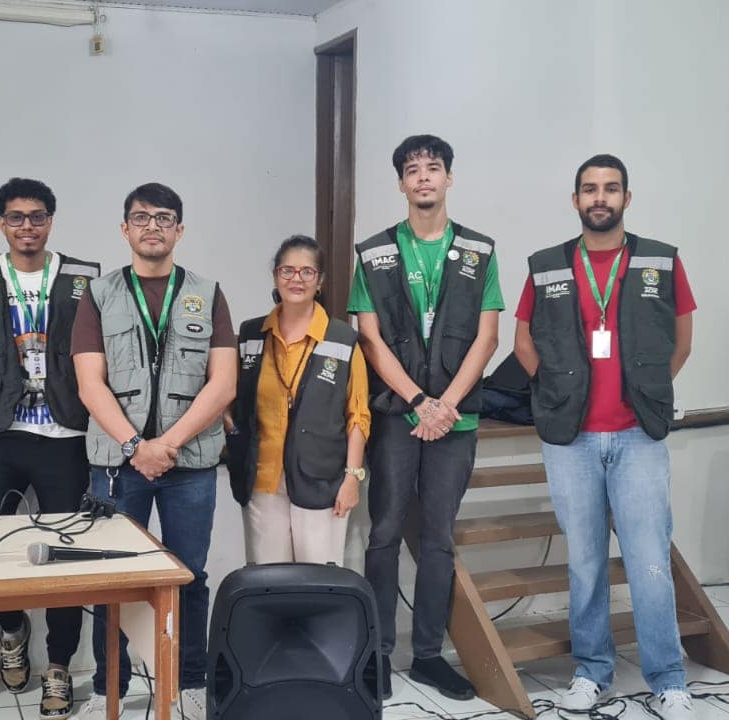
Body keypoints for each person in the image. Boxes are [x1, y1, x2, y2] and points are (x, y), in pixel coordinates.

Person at [513, 154, 697, 719]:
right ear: (575, 200)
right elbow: (524, 342)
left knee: (648, 563)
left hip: (638, 437)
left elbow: (682, 339)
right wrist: (558, 397)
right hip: (572, 442)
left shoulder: (660, 261)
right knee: (586, 564)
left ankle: (668, 680)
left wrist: (643, 391)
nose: (600, 198)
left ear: (626, 198)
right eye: (589, 189)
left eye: (610, 189)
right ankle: (592, 671)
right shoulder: (547, 265)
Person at [72, 182, 236, 720]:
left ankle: (189, 681)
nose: (152, 226)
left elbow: (223, 383)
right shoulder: (99, 294)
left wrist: (166, 445)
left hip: (188, 464)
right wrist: (134, 445)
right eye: (141, 217)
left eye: (164, 218)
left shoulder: (207, 293)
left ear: (179, 230)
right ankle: (108, 687)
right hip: (120, 464)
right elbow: (89, 383)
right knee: (111, 577)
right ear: (125, 230)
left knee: (188, 574)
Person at [348, 135, 502, 700]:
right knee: (384, 534)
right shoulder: (374, 252)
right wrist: (418, 402)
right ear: (401, 184)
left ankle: (430, 656)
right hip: (397, 416)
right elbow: (369, 338)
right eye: (412, 171)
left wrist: (447, 407)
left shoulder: (480, 251)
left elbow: (487, 338)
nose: (423, 178)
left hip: (455, 421)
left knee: (438, 539)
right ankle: (379, 655)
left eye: (432, 169)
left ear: (449, 178)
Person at [0, 178, 98, 719]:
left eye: (37, 216)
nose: (27, 226)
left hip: (66, 435)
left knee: (68, 554)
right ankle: (11, 626)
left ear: (51, 221)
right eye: (16, 217)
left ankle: (58, 666)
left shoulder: (85, 277)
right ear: (1, 223)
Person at [226, 234, 369, 565]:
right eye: (287, 270)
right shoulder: (250, 334)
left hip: (323, 481)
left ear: (319, 281)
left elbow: (358, 414)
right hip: (262, 480)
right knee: (267, 582)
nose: (296, 279)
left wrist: (351, 477)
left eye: (307, 272)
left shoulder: (342, 339)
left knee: (318, 584)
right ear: (276, 276)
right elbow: (229, 394)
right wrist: (231, 428)